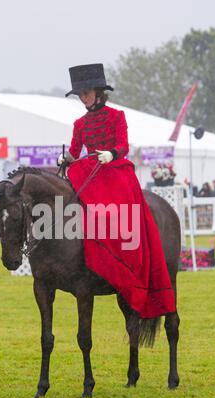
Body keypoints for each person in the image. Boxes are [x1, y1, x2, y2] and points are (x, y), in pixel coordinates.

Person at [59, 63, 175, 319]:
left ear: (99, 92)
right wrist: (65, 158)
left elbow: (123, 145)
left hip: (114, 169)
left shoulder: (117, 116)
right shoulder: (80, 123)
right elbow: (75, 151)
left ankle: (126, 253)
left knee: (117, 209)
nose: (83, 99)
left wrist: (111, 154)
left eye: (86, 93)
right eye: (80, 95)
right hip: (90, 171)